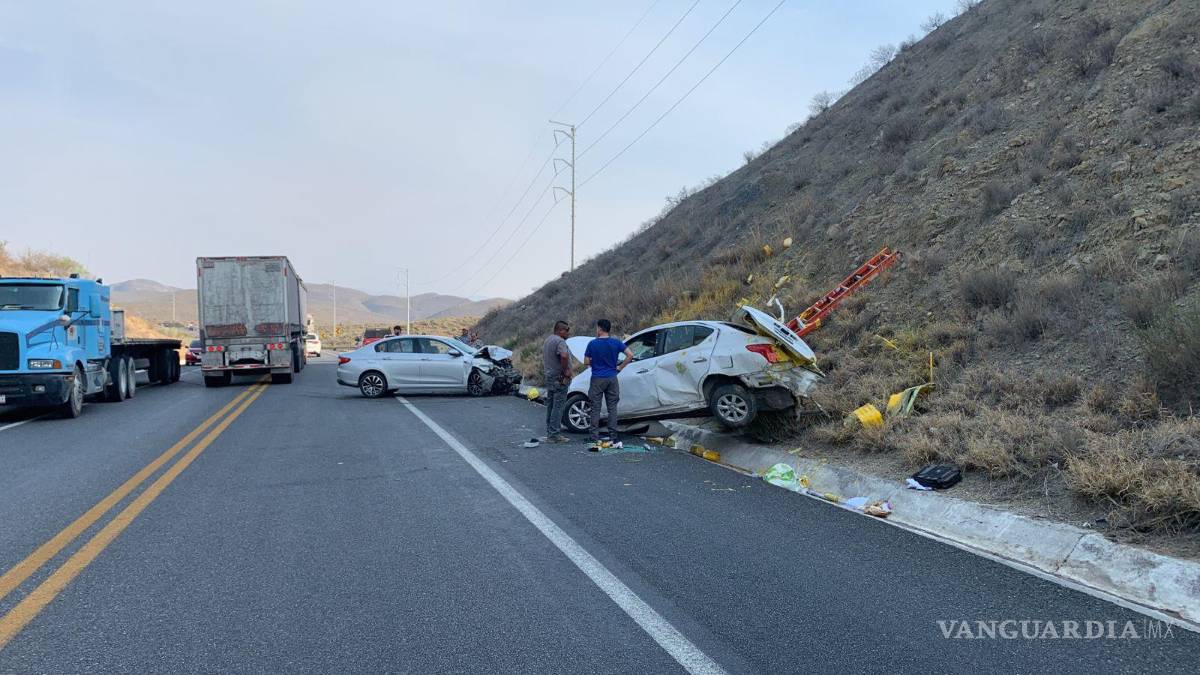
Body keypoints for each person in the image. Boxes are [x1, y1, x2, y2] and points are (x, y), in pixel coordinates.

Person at [583, 319, 634, 444]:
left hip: (597, 378)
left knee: (595, 408)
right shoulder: (616, 343)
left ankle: (594, 437)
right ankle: (613, 436)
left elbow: (586, 362)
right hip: (612, 377)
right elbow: (630, 355)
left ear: (599, 329)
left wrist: (594, 362)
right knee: (612, 408)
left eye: (597, 328)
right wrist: (620, 367)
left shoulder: (592, 344)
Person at [541, 320, 572, 443]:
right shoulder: (560, 341)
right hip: (559, 378)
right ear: (560, 330)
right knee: (558, 406)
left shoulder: (548, 340)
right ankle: (554, 435)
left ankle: (550, 431)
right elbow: (563, 356)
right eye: (567, 330)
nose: (568, 333)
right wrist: (565, 372)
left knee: (551, 405)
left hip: (550, 376)